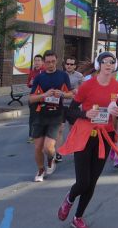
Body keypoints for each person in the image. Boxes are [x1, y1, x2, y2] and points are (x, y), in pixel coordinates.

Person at [57, 51, 118, 228]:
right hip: (85, 135)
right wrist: (85, 114)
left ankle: (78, 217)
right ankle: (69, 198)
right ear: (99, 65)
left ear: (115, 65)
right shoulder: (87, 86)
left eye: (112, 62)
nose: (109, 65)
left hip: (105, 136)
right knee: (83, 182)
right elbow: (70, 112)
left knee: (92, 182)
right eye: (105, 62)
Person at [29, 51, 72, 182]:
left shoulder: (63, 75)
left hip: (56, 115)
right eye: (47, 62)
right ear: (43, 63)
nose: (50, 64)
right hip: (40, 114)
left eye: (53, 61)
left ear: (57, 61)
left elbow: (70, 94)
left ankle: (51, 158)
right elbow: (31, 99)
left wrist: (62, 94)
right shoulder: (39, 78)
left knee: (48, 147)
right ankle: (41, 170)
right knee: (38, 147)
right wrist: (44, 95)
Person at [56, 56, 84, 162]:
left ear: (75, 66)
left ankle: (75, 150)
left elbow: (82, 90)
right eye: (67, 64)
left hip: (74, 106)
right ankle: (58, 153)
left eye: (71, 64)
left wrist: (75, 92)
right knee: (60, 129)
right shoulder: (60, 75)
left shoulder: (79, 76)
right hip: (61, 105)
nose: (69, 66)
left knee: (73, 130)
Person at [26, 54, 45, 143]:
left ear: (42, 62)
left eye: (38, 60)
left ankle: (42, 134)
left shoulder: (45, 72)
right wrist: (30, 82)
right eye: (35, 61)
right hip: (33, 97)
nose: (37, 62)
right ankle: (31, 135)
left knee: (42, 116)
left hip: (43, 98)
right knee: (33, 117)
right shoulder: (32, 72)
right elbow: (28, 84)